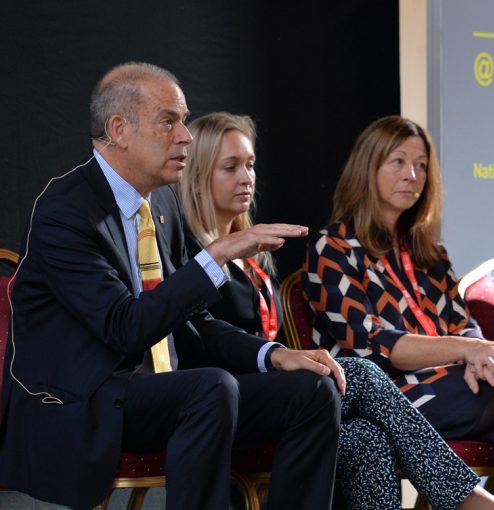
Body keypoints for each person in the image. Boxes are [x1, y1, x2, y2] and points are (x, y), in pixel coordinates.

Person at [0, 62, 346, 510]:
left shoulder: (161, 202)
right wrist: (219, 253)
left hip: (166, 393)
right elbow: (123, 327)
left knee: (312, 391)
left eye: (183, 120)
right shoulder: (63, 212)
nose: (185, 135)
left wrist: (274, 355)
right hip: (90, 403)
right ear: (119, 129)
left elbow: (194, 321)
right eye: (169, 121)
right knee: (209, 388)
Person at [176, 111, 494, 510]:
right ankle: (467, 499)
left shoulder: (254, 256)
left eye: (250, 165)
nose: (247, 177)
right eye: (230, 167)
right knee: (364, 373)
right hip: (228, 403)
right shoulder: (190, 259)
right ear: (196, 178)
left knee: (367, 439)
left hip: (282, 398)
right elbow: (201, 341)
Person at [303, 115, 494, 510]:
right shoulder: (333, 247)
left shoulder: (428, 254)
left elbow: (463, 324)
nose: (412, 175)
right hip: (391, 398)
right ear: (368, 167)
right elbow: (371, 345)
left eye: (421, 165)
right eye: (398, 162)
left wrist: (475, 355)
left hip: (454, 389)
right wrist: (463, 351)